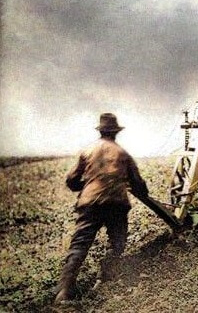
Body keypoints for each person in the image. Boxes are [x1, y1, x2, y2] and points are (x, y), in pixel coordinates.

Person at [55, 113, 149, 304]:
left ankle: (64, 292)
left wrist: (88, 186)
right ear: (115, 133)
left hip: (90, 203)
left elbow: (71, 180)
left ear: (101, 131)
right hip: (116, 203)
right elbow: (138, 185)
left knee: (80, 244)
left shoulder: (87, 151)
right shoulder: (123, 155)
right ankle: (104, 279)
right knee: (117, 243)